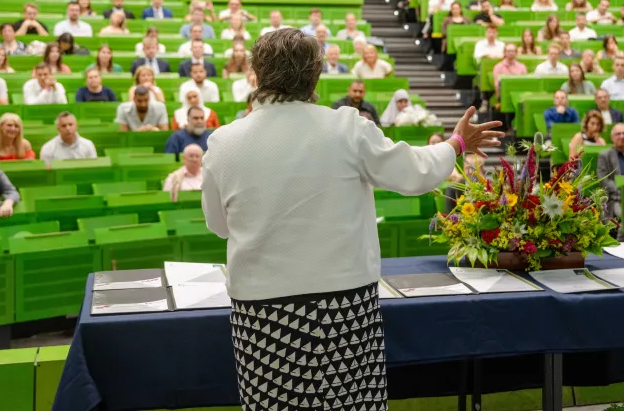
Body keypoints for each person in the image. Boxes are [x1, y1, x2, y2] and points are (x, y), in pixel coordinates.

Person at [200, 29, 500, 410]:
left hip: (262, 313)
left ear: (256, 74)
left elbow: (218, 224)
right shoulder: (347, 127)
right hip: (344, 306)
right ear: (315, 74)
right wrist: (455, 144)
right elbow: (413, 173)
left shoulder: (224, 142)